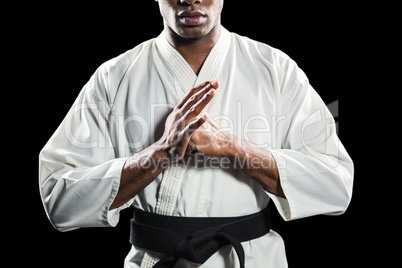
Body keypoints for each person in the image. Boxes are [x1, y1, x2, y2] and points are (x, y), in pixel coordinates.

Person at [39, 0, 354, 267]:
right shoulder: (114, 77)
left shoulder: (275, 69)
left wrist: (232, 148)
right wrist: (160, 152)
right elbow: (60, 202)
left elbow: (335, 186)